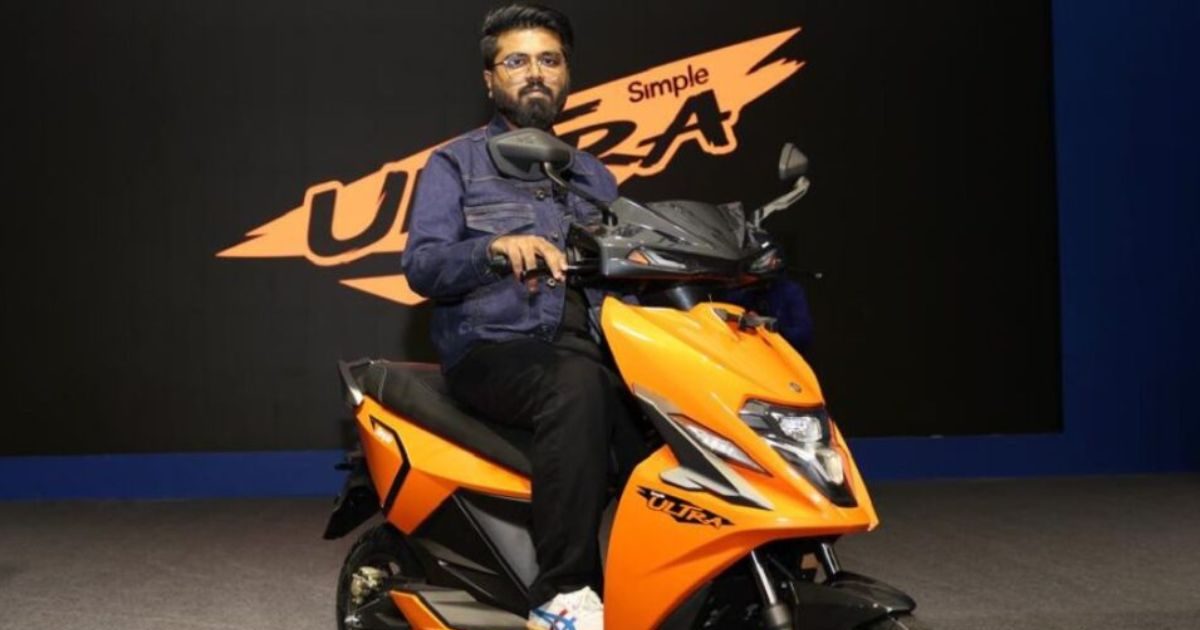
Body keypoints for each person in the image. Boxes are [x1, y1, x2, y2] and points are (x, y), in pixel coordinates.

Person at [400, 5, 641, 630]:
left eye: (549, 60)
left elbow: (633, 269)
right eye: (517, 61)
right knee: (576, 386)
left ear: (567, 75)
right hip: (496, 350)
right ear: (490, 79)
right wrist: (494, 248)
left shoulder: (594, 176)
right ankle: (562, 595)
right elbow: (422, 266)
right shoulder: (455, 164)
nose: (535, 72)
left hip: (597, 350)